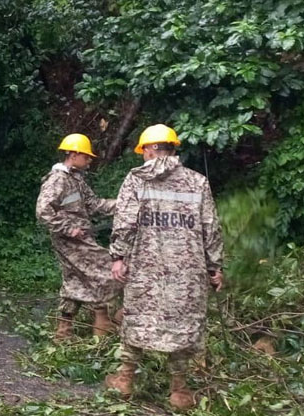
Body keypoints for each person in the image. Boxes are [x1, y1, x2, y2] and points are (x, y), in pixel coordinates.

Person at [104, 124, 224, 411]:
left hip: (146, 268)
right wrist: (215, 266)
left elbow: (125, 222)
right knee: (182, 324)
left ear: (148, 149)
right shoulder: (198, 182)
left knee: (136, 317)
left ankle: (125, 380)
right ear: (172, 148)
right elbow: (211, 227)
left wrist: (118, 256)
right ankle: (179, 391)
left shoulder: (136, 180)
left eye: (142, 150)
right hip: (188, 271)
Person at [35, 134, 120, 341]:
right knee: (108, 270)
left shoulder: (75, 179)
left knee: (74, 280)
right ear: (73, 155)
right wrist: (68, 228)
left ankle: (63, 333)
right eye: (86, 156)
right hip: (70, 241)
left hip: (79, 239)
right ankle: (105, 323)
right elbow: (42, 210)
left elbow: (94, 205)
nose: (90, 160)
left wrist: (124, 204)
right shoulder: (58, 180)